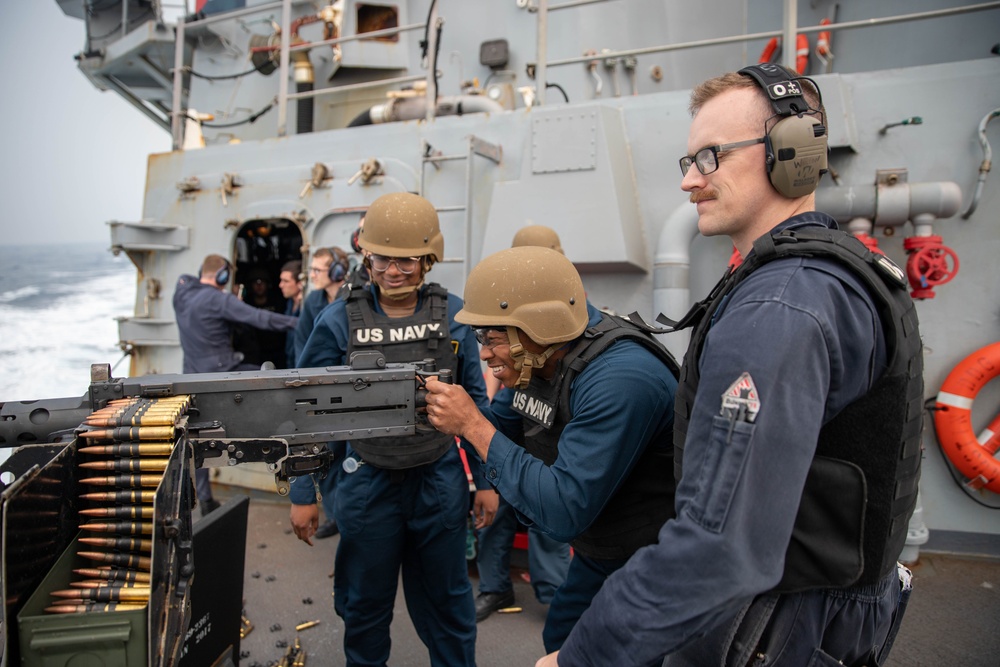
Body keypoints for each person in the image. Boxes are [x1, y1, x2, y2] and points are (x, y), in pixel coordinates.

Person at [533, 65, 923, 667]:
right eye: (688, 161)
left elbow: (719, 546)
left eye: (710, 157)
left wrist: (582, 653)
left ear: (789, 153)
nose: (689, 181)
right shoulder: (828, 276)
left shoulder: (780, 305)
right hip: (819, 615)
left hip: (776, 625)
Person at [423, 245, 680, 652]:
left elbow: (564, 510)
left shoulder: (621, 378)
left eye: (492, 337)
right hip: (602, 549)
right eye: (479, 337)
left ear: (537, 327)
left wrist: (471, 424)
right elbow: (503, 431)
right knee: (561, 636)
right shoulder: (539, 360)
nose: (484, 353)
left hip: (654, 562)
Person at [289, 192, 490, 667]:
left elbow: (476, 404)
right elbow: (306, 409)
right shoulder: (338, 320)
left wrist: (486, 480)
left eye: (407, 261)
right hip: (367, 483)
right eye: (383, 259)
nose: (393, 272)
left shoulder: (454, 317)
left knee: (449, 608)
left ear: (428, 260)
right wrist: (303, 491)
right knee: (363, 608)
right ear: (366, 255)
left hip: (436, 480)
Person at [475, 224, 572, 622]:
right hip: (519, 410)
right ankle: (495, 587)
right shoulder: (505, 298)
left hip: (553, 432)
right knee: (497, 512)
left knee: (549, 522)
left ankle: (555, 598)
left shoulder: (566, 301)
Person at [173, 253, 299, 515]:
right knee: (276, 384)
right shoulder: (219, 299)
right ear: (222, 276)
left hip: (191, 377)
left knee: (198, 437)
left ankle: (206, 500)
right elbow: (261, 319)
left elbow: (186, 282)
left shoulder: (182, 294)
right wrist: (300, 323)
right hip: (222, 375)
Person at [292, 246, 352, 539]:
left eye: (317, 270)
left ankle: (348, 516)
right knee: (324, 462)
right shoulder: (313, 301)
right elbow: (301, 347)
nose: (312, 276)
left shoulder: (353, 299)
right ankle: (335, 517)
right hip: (319, 392)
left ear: (338, 272)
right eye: (311, 270)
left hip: (348, 395)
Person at [278, 260, 304, 367]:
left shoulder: (307, 306)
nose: (281, 285)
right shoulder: (290, 303)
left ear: (299, 284)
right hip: (289, 357)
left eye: (286, 281)